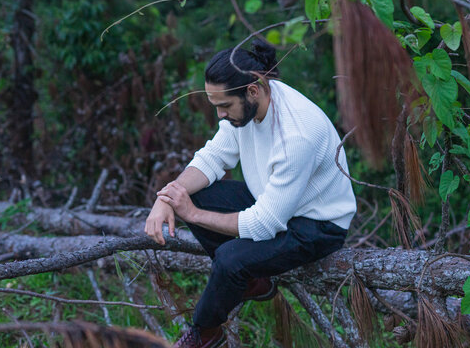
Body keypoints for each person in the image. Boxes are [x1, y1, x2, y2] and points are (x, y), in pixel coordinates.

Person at [144, 39, 357, 348]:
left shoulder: (297, 133)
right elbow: (213, 158)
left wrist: (190, 213)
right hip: (272, 201)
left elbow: (264, 224)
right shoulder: (245, 106)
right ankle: (256, 281)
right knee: (198, 195)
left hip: (317, 226)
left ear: (253, 90)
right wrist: (168, 197)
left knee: (230, 259)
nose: (219, 115)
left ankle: (206, 331)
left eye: (224, 106)